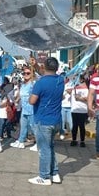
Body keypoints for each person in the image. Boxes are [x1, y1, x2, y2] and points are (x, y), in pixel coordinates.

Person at [28, 57, 63, 186]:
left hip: (43, 120)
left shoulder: (40, 83)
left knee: (44, 149)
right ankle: (54, 173)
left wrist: (31, 93)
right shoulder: (60, 80)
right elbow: (47, 75)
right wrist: (36, 66)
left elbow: (32, 101)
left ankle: (44, 176)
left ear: (45, 67)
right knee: (50, 147)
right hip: (56, 120)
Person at [11, 66, 36, 149]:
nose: (25, 74)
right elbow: (21, 95)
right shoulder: (23, 84)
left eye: (28, 73)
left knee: (33, 127)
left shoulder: (33, 84)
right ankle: (21, 141)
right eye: (24, 73)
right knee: (23, 126)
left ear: (32, 74)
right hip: (24, 108)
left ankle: (39, 143)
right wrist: (16, 100)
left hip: (31, 109)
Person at [70, 75, 89, 147]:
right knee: (74, 126)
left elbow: (88, 99)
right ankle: (74, 140)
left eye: (77, 79)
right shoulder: (73, 88)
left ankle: (82, 141)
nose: (75, 80)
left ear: (81, 80)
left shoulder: (85, 89)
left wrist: (80, 98)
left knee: (81, 126)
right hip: (74, 110)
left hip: (82, 110)